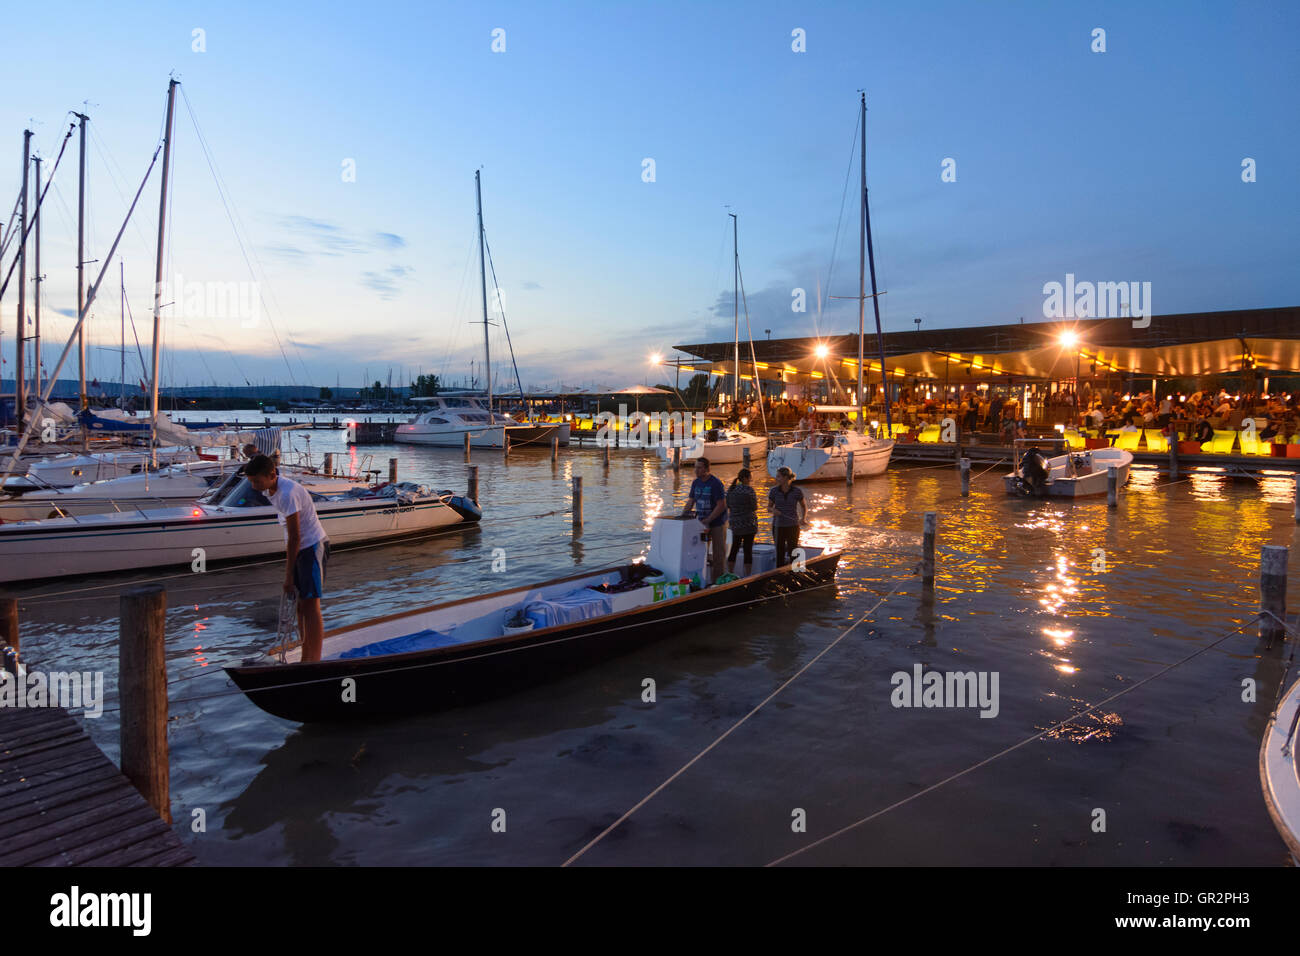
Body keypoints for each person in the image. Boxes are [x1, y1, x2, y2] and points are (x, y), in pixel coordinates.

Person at [245, 454, 329, 662]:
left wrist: (288, 576)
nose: (254, 486)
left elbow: (295, 536)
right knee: (300, 606)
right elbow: (290, 537)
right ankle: (305, 654)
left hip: (312, 546)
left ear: (272, 474)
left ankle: (314, 660)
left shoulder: (287, 494)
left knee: (310, 606)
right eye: (251, 482)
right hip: (301, 549)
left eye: (257, 481)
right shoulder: (270, 489)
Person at [680, 456, 728, 585]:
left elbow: (721, 505)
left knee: (719, 554)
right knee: (700, 552)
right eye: (695, 467)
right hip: (700, 523)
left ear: (707, 469)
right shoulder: (695, 483)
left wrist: (709, 519)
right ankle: (701, 580)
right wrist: (682, 515)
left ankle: (718, 582)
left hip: (717, 523)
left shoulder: (716, 483)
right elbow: (691, 501)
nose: (696, 470)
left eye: (699, 467)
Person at [768, 466, 807, 567]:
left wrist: (803, 518)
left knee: (793, 550)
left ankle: (794, 572)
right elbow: (769, 508)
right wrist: (773, 510)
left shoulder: (797, 491)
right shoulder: (774, 491)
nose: (776, 478)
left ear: (785, 478)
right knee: (779, 551)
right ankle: (780, 573)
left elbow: (803, 506)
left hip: (793, 525)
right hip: (778, 526)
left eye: (778, 476)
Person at [725, 468, 758, 575]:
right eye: (750, 478)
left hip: (735, 524)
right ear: (745, 478)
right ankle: (747, 575)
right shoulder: (749, 491)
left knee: (734, 548)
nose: (750, 480)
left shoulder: (731, 490)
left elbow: (728, 505)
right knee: (747, 550)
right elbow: (754, 507)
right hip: (748, 524)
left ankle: (730, 573)